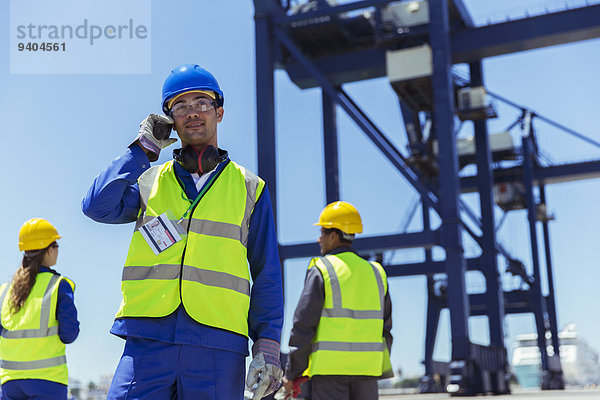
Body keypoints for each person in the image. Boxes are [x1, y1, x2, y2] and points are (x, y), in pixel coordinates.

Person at [82, 64, 284, 400]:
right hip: (148, 337)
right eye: (180, 106)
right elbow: (96, 206)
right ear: (169, 120)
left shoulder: (251, 189)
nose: (192, 112)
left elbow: (267, 274)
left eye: (201, 103)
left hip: (218, 343)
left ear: (219, 113)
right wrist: (142, 151)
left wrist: (268, 342)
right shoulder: (149, 180)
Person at [280, 201, 393, 400]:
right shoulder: (376, 273)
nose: (319, 239)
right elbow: (386, 330)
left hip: (328, 376)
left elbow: (303, 326)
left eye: (322, 232)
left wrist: (292, 372)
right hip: (367, 374)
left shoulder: (323, 269)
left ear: (334, 235)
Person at [0, 218, 79, 400]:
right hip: (48, 381)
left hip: (10, 381)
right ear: (49, 249)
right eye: (56, 245)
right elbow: (69, 334)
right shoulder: (59, 286)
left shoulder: (4, 291)